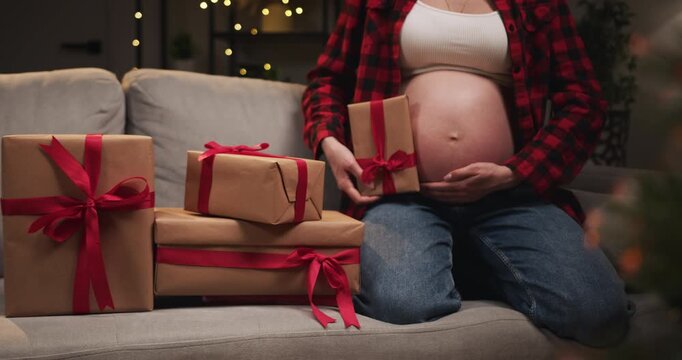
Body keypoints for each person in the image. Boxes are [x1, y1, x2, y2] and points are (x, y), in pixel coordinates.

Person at [301, 0, 632, 347]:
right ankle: (453, 256)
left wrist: (513, 172)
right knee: (403, 302)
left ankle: (463, 258)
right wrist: (329, 141)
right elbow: (326, 80)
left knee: (601, 313)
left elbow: (584, 101)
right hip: (403, 197)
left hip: (511, 197)